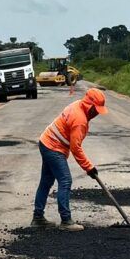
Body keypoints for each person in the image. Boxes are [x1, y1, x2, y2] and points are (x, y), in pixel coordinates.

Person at [32, 88, 108, 231]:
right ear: (89, 105)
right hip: (53, 147)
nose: (97, 113)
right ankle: (66, 221)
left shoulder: (78, 104)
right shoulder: (80, 120)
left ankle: (37, 218)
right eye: (96, 109)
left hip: (46, 142)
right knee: (65, 180)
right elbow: (76, 148)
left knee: (46, 181)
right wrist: (89, 167)